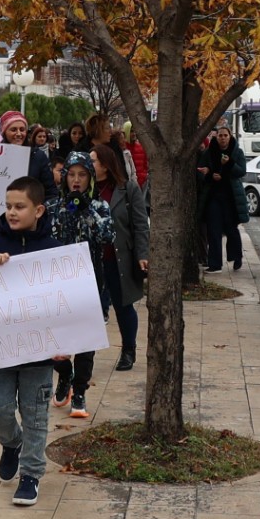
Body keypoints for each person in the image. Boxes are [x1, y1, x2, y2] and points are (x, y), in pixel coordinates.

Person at [0, 177, 65, 505]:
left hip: (38, 352)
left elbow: (67, 297)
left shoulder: (53, 250)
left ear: (38, 210)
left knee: (36, 412)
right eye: (8, 206)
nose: (12, 212)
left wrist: (66, 341)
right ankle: (12, 442)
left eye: (20, 206)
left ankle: (31, 474)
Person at [48, 152, 115, 415]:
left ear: (90, 178)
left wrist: (85, 208)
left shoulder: (100, 207)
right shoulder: (53, 207)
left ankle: (80, 391)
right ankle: (64, 374)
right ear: (65, 178)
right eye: (72, 175)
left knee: (86, 340)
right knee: (55, 338)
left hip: (90, 282)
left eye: (82, 175)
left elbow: (107, 235)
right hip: (57, 284)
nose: (77, 180)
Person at [93, 143, 150, 372]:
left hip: (119, 258)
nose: (90, 165)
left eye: (94, 161)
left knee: (123, 305)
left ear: (106, 165)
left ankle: (128, 350)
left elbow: (140, 224)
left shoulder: (128, 189)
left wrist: (142, 254)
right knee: (88, 308)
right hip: (91, 260)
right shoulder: (86, 189)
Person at [196, 124, 247, 271]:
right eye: (220, 135)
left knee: (231, 229)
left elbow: (241, 171)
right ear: (216, 137)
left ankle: (237, 258)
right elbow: (200, 171)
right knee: (213, 230)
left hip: (231, 197)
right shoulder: (209, 152)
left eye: (225, 135)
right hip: (213, 196)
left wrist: (229, 163)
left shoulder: (237, 152)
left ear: (230, 136)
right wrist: (210, 174)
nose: (223, 138)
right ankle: (215, 263)